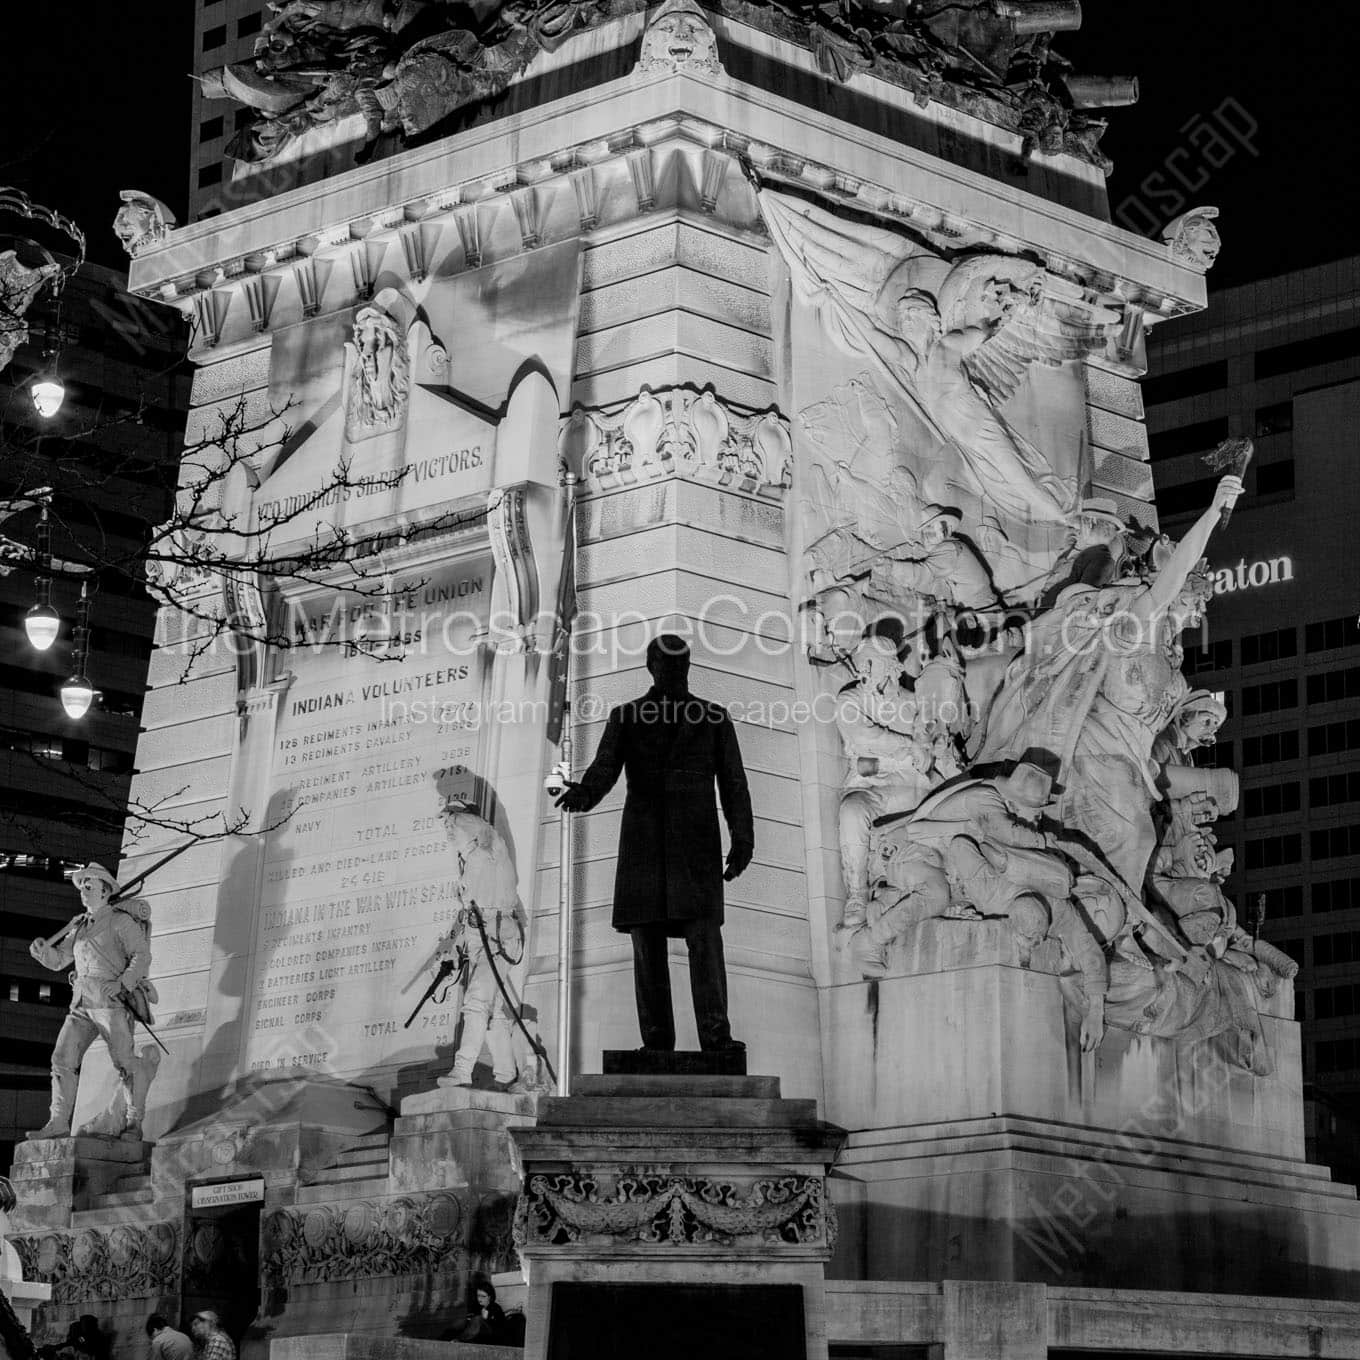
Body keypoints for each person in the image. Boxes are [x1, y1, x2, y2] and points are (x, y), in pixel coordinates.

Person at [556, 635, 753, 1053]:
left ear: (688, 667)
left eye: (680, 663)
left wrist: (743, 838)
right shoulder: (626, 717)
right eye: (666, 663)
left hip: (695, 849)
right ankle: (657, 1041)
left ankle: (716, 1037)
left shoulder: (713, 718)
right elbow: (605, 767)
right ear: (651, 667)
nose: (674, 670)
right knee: (647, 945)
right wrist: (583, 794)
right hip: (644, 846)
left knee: (705, 940)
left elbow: (734, 784)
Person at [27, 863, 153, 1140]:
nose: (83, 892)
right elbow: (60, 960)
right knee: (61, 1059)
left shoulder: (120, 922)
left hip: (109, 1003)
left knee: (125, 1063)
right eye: (82, 887)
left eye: (89, 886)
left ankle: (134, 1122)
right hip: (81, 1003)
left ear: (105, 891)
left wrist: (122, 984)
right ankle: (58, 1122)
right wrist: (42, 952)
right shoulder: (79, 926)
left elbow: (141, 955)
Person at [434, 802, 526, 1091]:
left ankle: (462, 1069)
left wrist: (458, 815)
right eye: (447, 826)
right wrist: (454, 948)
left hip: (498, 939)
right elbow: (468, 912)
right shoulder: (468, 859)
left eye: (453, 825)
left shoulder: (489, 846)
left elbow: (482, 828)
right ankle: (507, 1075)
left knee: (476, 1001)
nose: (449, 831)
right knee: (492, 1010)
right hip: (479, 939)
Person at [459, 1279, 507, 1343]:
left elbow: (499, 1329)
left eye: (483, 1296)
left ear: (489, 1297)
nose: (479, 1299)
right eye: (478, 1296)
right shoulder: (478, 1307)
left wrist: (486, 1319)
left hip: (493, 1337)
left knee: (478, 1319)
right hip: (478, 1337)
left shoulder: (496, 1308)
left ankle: (461, 1340)